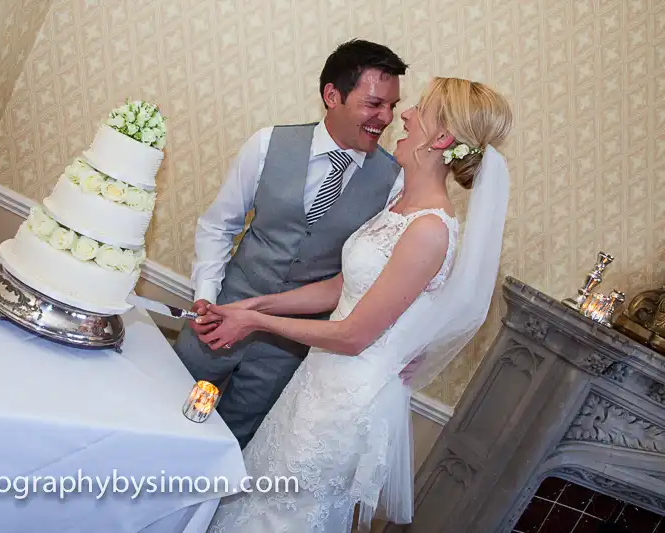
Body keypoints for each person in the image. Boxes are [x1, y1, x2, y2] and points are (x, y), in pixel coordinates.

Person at [201, 77, 513, 532]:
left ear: (442, 138)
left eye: (419, 110)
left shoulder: (430, 229)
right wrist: (257, 306)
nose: (404, 116)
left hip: (345, 405)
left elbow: (353, 335)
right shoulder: (402, 206)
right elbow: (339, 288)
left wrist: (255, 323)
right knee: (255, 502)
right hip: (317, 383)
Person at [173, 39, 409, 448]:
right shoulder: (266, 144)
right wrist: (206, 297)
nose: (386, 117)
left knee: (231, 446)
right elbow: (218, 226)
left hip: (290, 347)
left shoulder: (395, 184)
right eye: (374, 103)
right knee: (163, 407)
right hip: (219, 315)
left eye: (392, 105)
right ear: (332, 95)